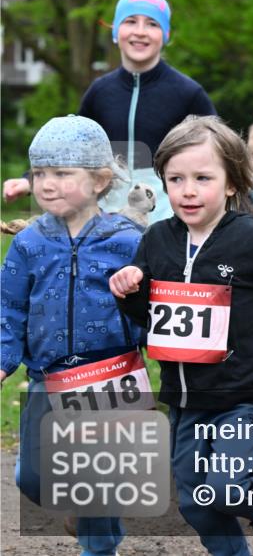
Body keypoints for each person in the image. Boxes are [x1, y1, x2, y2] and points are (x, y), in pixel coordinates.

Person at [109, 115, 253, 556]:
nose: (188, 190)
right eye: (176, 179)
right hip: (185, 399)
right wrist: (128, 290)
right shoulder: (155, 240)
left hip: (241, 394)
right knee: (197, 503)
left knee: (226, 489)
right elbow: (150, 316)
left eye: (203, 178)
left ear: (231, 184)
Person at [1, 116, 145, 556]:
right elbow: (10, 309)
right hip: (48, 378)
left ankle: (98, 545)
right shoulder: (28, 245)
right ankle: (81, 509)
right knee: (34, 478)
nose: (46, 184)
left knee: (97, 477)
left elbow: (152, 305)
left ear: (101, 181)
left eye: (62, 174)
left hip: (111, 377)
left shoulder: (130, 239)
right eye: (39, 173)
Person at [2, 0, 217, 222]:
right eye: (131, 21)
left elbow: (218, 152)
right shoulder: (100, 91)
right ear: (115, 32)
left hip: (167, 216)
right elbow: (72, 146)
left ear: (165, 34)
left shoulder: (188, 93)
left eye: (152, 24)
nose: (140, 32)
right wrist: (29, 179)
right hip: (107, 217)